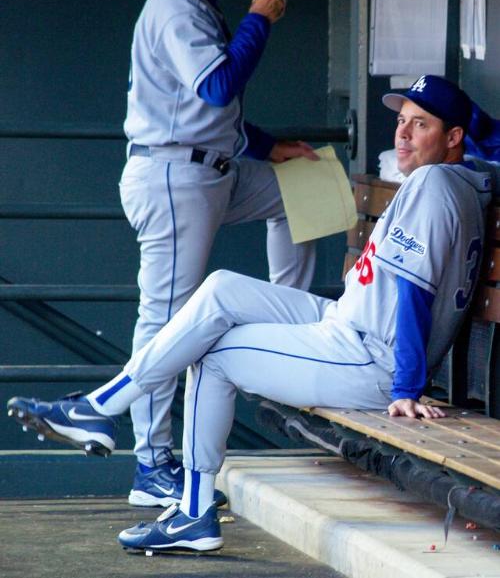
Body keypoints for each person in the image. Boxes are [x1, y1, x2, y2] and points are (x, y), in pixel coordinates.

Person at [8, 75, 496, 553]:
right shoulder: (459, 178)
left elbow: (413, 290)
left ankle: (193, 513)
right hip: (350, 324)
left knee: (215, 355)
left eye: (421, 125)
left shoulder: (434, 184)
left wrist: (408, 387)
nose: (403, 134)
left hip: (371, 356)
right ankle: (100, 408)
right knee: (222, 288)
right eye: (402, 121)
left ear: (453, 137)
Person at [120, 0, 318, 507]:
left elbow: (207, 112)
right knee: (164, 318)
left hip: (209, 169)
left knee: (298, 192)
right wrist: (260, 18)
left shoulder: (195, 2)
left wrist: (268, 148)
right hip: (173, 176)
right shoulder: (173, 4)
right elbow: (217, 87)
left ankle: (290, 326)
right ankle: (151, 465)